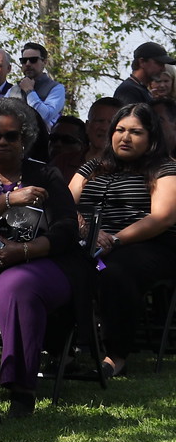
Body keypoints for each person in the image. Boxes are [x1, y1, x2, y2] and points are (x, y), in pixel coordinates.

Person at [0, 100, 78, 418]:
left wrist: (24, 251)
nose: (1, 142)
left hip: (41, 264)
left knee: (16, 287)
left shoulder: (46, 175)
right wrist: (8, 200)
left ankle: (21, 389)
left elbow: (67, 230)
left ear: (24, 139)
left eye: (10, 136)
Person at [70, 102, 176, 378]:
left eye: (136, 132)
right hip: (90, 242)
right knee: (57, 265)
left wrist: (113, 240)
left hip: (145, 245)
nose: (125, 137)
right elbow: (64, 204)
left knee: (112, 271)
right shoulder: (93, 167)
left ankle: (114, 355)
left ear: (151, 138)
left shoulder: (165, 169)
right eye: (120, 130)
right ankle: (62, 350)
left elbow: (162, 218)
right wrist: (86, 232)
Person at [11, 43, 67, 127]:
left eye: (33, 60)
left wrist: (29, 92)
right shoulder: (14, 89)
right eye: (24, 61)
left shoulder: (56, 88)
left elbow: (45, 116)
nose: (28, 64)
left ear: (44, 62)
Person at [113, 42, 169, 107]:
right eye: (159, 63)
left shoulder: (142, 90)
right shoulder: (129, 90)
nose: (163, 69)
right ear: (142, 62)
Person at [47, 115, 90, 179]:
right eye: (54, 138)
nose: (58, 144)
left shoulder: (89, 174)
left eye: (67, 140)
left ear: (83, 146)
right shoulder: (36, 168)